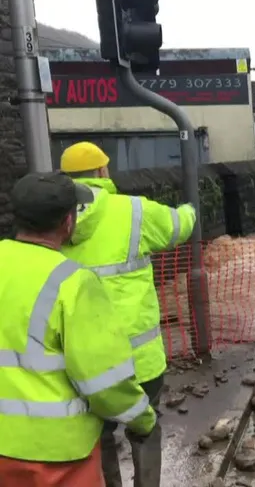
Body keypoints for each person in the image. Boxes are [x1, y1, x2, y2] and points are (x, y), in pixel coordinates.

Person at [0, 171, 157, 486]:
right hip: (57, 457)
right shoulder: (73, 283)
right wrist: (143, 417)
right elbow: (104, 383)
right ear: (68, 223)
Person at [58, 142, 196, 487]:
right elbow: (179, 226)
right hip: (140, 361)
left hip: (82, 362)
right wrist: (191, 208)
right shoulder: (134, 211)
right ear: (103, 172)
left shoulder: (52, 221)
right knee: (144, 427)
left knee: (97, 434)